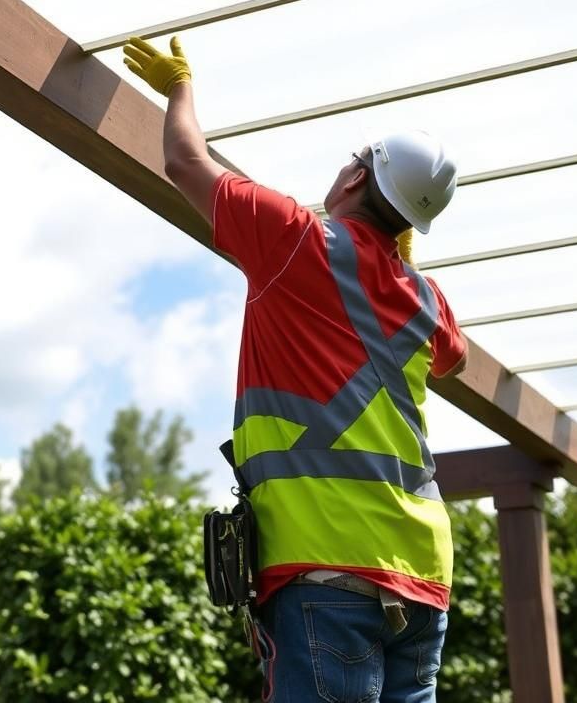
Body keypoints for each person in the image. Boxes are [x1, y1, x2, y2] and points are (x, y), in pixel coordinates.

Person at [123, 35, 467, 703]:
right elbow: (453, 360)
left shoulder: (296, 239)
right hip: (423, 576)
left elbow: (184, 160)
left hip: (325, 569)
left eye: (352, 160)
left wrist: (179, 87)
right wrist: (403, 264)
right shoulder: (426, 301)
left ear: (358, 177)